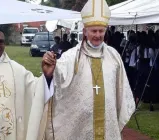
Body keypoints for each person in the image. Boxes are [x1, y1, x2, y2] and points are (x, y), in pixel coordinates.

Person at [41, 0, 136, 139]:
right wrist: (49, 74)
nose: (97, 35)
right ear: (85, 31)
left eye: (101, 31)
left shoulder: (114, 56)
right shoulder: (71, 57)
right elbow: (57, 79)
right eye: (93, 31)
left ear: (106, 30)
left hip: (107, 127)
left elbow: (121, 89)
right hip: (80, 130)